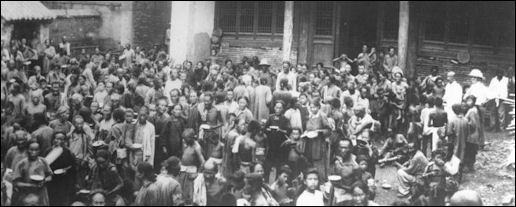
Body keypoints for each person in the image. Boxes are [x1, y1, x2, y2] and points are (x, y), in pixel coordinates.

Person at [12, 139, 52, 206]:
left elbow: (50, 176)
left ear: (39, 150)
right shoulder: (22, 164)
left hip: (41, 195)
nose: (34, 152)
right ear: (27, 149)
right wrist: (31, 185)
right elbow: (16, 183)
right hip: (26, 196)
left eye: (36, 150)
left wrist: (44, 181)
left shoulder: (43, 161)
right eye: (31, 150)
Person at [44, 131, 77, 206]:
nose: (59, 141)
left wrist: (66, 170)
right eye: (57, 138)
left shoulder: (68, 152)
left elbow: (73, 167)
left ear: (64, 141)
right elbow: (44, 166)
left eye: (62, 139)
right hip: (51, 182)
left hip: (63, 182)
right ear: (53, 139)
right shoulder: (48, 151)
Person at [464, 96, 483, 172]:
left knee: (469, 150)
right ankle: (471, 166)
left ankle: (468, 166)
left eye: (470, 101)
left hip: (471, 134)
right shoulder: (474, 110)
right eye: (467, 100)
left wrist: (465, 124)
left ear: (474, 102)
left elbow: (473, 124)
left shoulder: (472, 111)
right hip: (475, 134)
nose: (468, 102)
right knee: (472, 151)